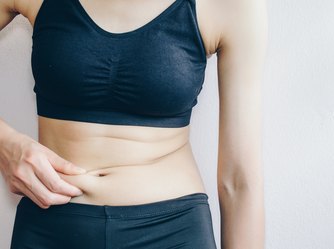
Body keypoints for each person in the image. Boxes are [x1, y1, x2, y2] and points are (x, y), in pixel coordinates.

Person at [0, 0, 268, 248]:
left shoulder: (233, 5)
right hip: (48, 226)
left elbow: (238, 181)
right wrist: (5, 143)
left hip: (172, 232)